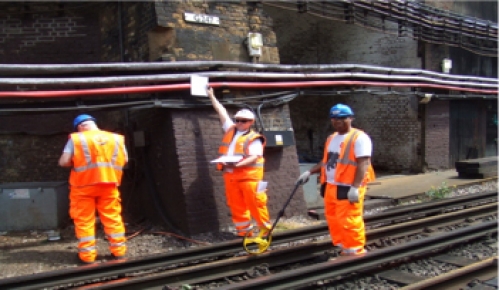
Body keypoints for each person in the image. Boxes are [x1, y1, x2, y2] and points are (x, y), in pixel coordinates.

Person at [296, 104, 375, 256]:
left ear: (350, 118)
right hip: (331, 185)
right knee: (334, 219)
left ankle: (355, 251)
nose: (336, 121)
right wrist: (309, 172)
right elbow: (326, 161)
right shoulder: (331, 138)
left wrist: (356, 187)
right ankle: (343, 247)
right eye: (333, 118)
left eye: (341, 118)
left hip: (348, 186)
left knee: (349, 219)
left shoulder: (360, 138)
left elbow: (363, 163)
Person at [58, 114, 128, 264]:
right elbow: (125, 160)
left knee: (84, 220)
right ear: (93, 123)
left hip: (83, 186)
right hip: (109, 184)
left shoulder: (77, 139)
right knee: (112, 217)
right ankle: (119, 252)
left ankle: (87, 257)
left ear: (80, 127)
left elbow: (64, 162)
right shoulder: (117, 139)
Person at [207, 87, 271, 237]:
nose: (240, 123)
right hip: (231, 177)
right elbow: (221, 112)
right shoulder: (231, 130)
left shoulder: (254, 138)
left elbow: (254, 157)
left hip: (249, 178)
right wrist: (211, 96)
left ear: (251, 122)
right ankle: (244, 234)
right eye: (237, 120)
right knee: (236, 207)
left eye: (244, 121)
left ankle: (265, 232)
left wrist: (236, 165)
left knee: (256, 205)